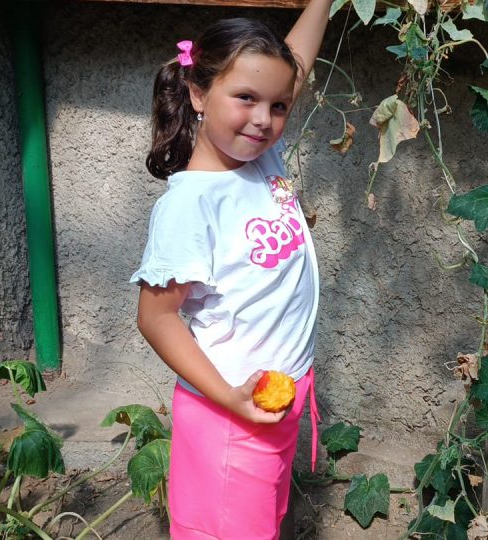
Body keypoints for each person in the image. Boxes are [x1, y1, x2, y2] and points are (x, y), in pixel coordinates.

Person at [130, 2, 331, 538]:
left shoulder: (259, 157)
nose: (264, 119)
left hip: (270, 403)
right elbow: (156, 317)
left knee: (260, 524)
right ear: (198, 93)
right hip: (228, 417)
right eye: (245, 98)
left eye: (279, 106)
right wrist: (229, 399)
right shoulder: (190, 205)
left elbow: (295, 64)